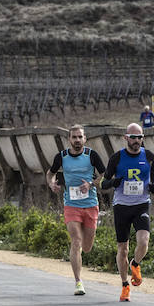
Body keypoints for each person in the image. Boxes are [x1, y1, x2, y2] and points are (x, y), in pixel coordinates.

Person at [100, 123, 154, 302]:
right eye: (133, 137)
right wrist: (114, 183)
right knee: (123, 249)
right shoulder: (116, 158)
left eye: (140, 137)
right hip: (121, 206)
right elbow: (103, 183)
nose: (136, 141)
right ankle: (125, 285)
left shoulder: (148, 156)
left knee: (143, 242)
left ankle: (136, 264)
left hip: (141, 204)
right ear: (125, 138)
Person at [45, 124, 106, 296]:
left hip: (91, 204)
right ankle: (78, 282)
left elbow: (105, 175)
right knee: (76, 241)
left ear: (85, 139)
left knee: (86, 247)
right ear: (69, 139)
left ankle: (80, 255)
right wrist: (52, 183)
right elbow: (50, 173)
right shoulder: (62, 157)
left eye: (80, 137)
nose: (77, 140)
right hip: (71, 204)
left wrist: (91, 183)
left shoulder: (91, 155)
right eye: (74, 137)